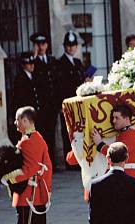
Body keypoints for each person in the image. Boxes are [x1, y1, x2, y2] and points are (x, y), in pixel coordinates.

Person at [0, 107, 53, 224]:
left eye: (17, 119)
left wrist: (6, 177)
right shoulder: (39, 138)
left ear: (26, 121)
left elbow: (28, 170)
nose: (15, 123)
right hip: (38, 196)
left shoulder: (27, 142)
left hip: (28, 197)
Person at [92, 104, 135, 180]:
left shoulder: (132, 134)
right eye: (113, 118)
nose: (113, 121)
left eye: (117, 118)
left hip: (127, 175)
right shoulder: (123, 133)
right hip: (123, 175)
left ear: (127, 119)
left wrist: (100, 144)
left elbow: (117, 153)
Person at [57, 31, 85, 170]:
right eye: (68, 45)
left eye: (73, 45)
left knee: (79, 132)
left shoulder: (78, 62)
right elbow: (60, 87)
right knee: (69, 133)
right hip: (68, 104)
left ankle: (79, 158)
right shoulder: (60, 63)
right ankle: (71, 162)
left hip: (79, 105)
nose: (71, 48)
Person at [30, 32, 58, 169]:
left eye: (43, 44)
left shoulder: (52, 60)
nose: (41, 47)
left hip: (52, 104)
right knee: (42, 135)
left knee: (51, 134)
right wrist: (34, 57)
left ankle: (52, 162)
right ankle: (43, 163)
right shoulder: (33, 62)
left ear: (47, 45)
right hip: (40, 105)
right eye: (38, 44)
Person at [12, 53, 40, 120]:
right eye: (29, 64)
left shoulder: (33, 76)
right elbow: (21, 99)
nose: (32, 65)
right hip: (26, 114)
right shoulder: (20, 79)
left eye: (33, 63)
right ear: (23, 65)